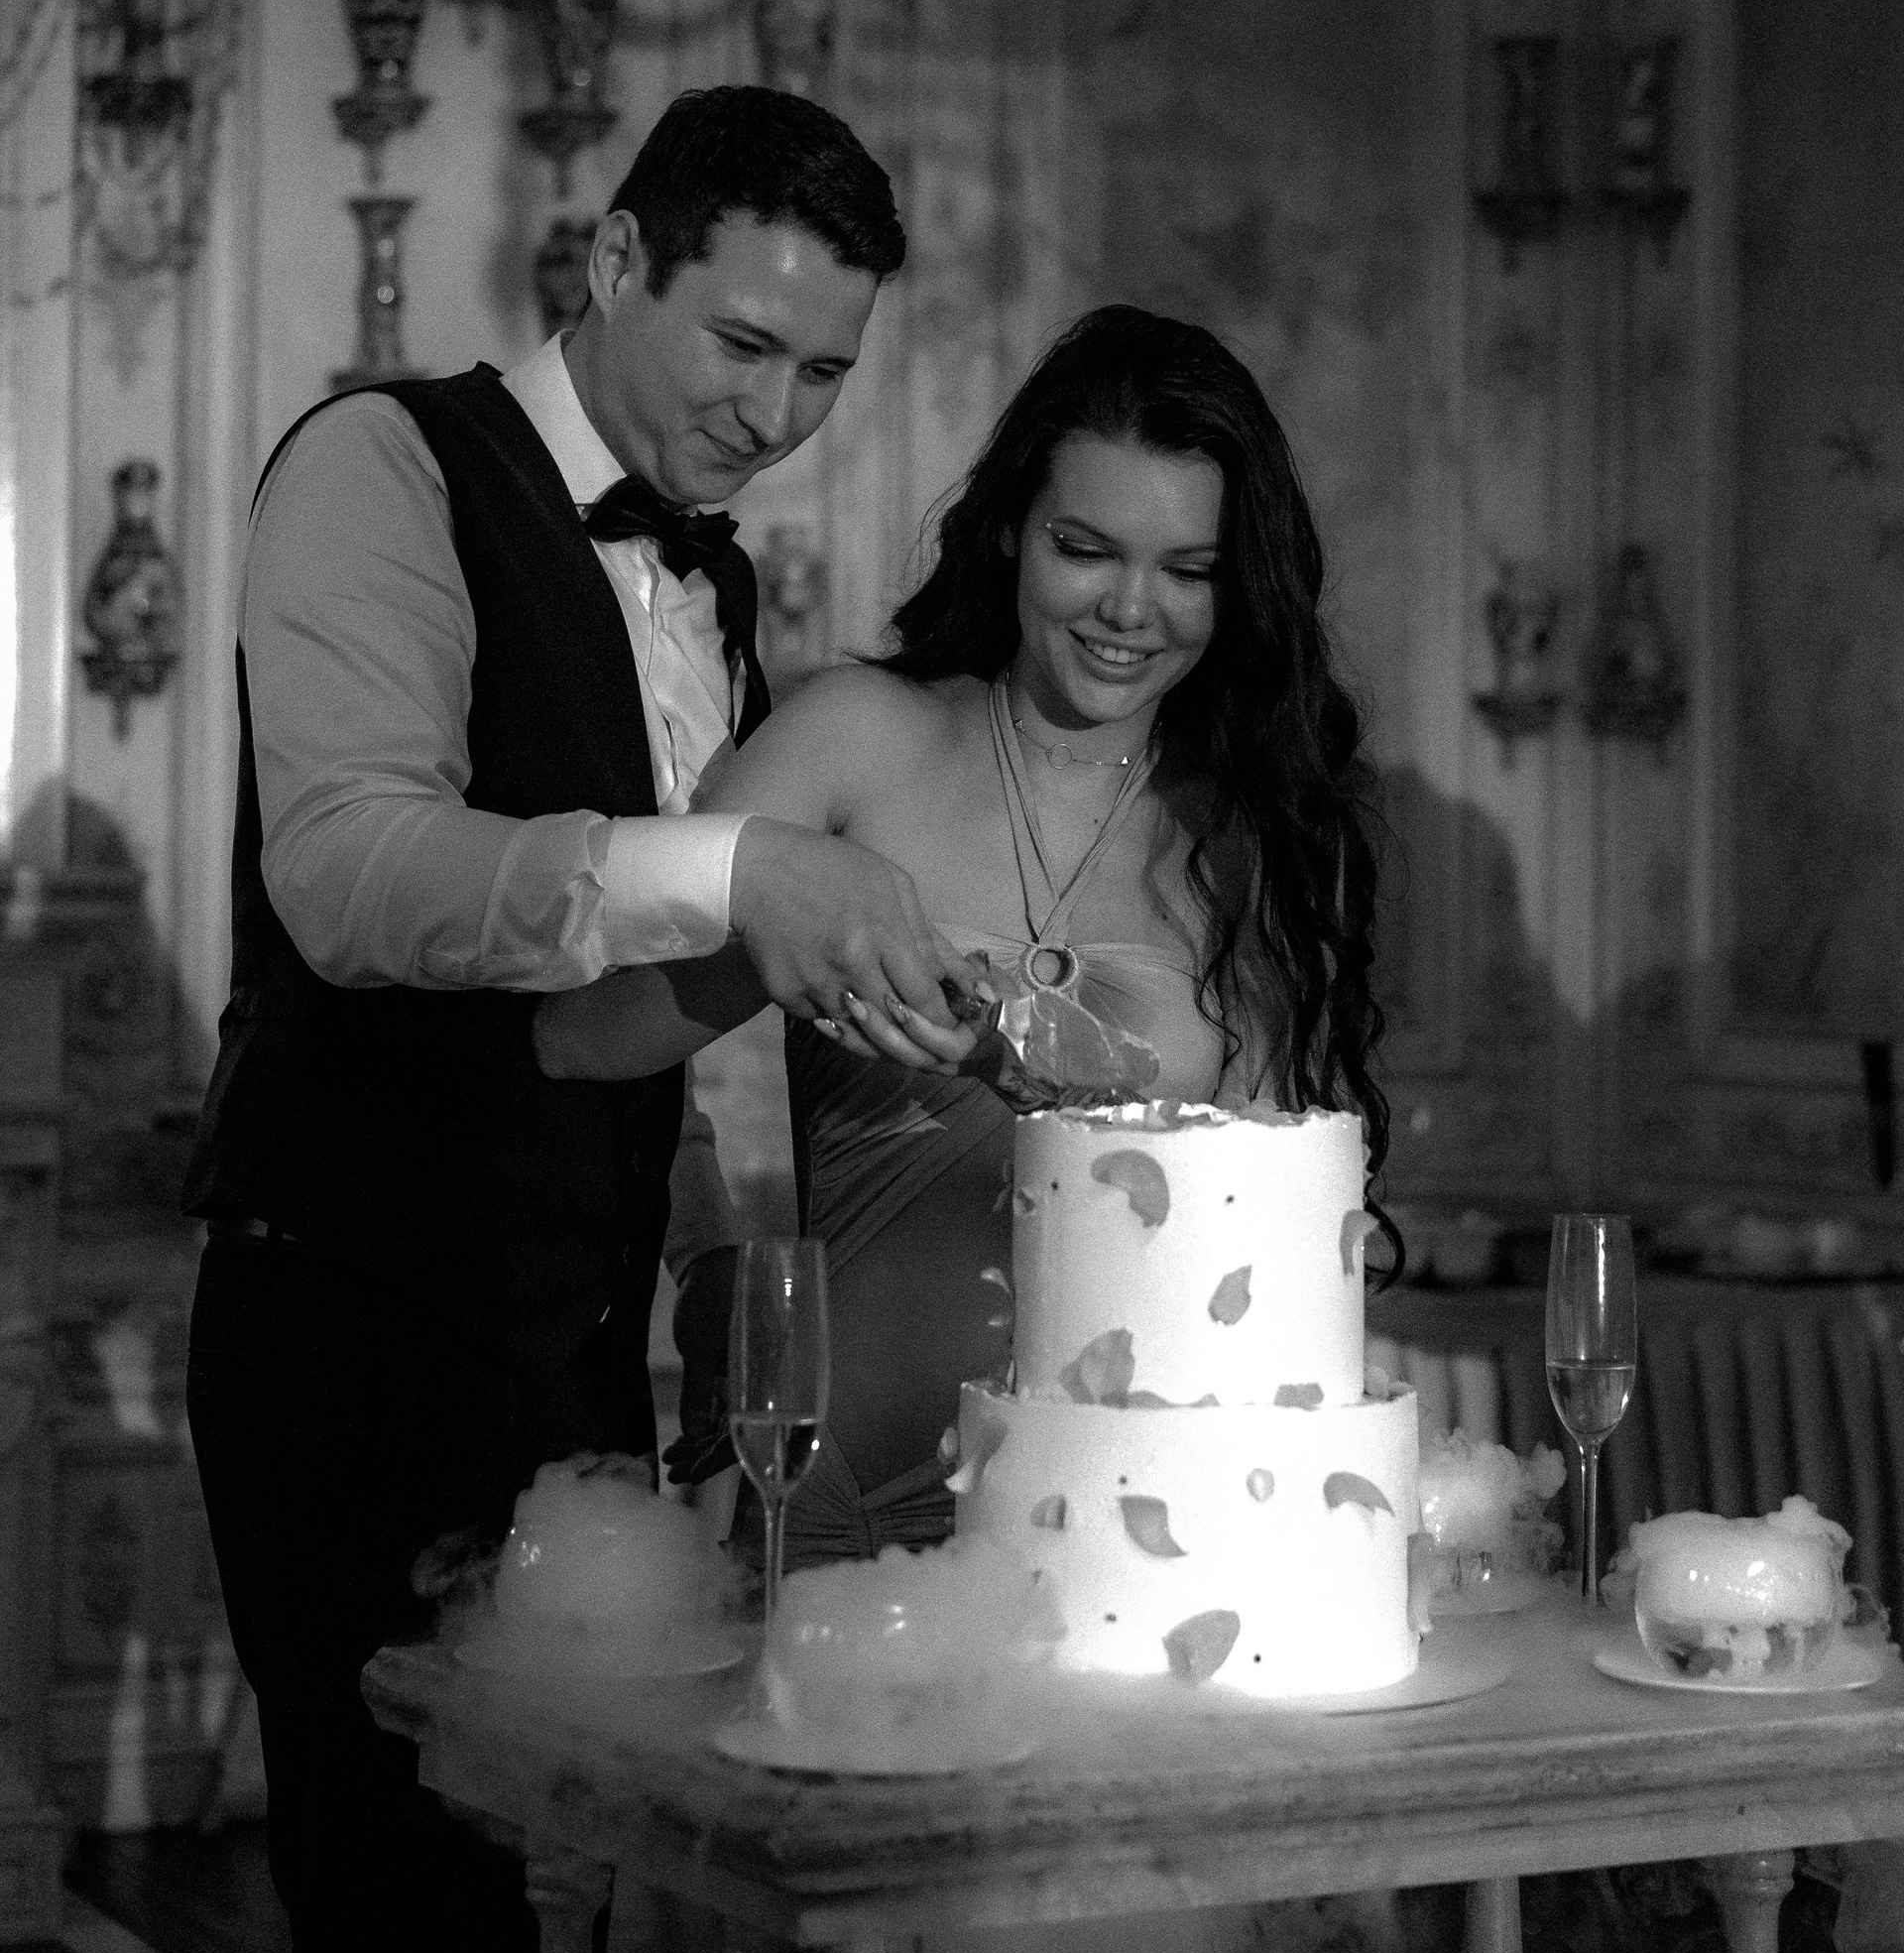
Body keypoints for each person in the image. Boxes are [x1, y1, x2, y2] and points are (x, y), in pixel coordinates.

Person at [182, 85, 972, 1953]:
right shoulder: (380, 463)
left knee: (563, 1896)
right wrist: (739, 867)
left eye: (825, 371)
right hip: (358, 1324)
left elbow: (610, 1006)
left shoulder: (709, 572)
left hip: (571, 1344)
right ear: (617, 259)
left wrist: (694, 1246)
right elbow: (354, 876)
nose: (778, 414)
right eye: (744, 343)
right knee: (407, 1915)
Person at [538, 303, 1394, 1570]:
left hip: (1136, 1541)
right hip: (844, 1508)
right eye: (1085, 549)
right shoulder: (856, 739)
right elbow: (582, 1040)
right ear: (1008, 530)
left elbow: (1264, 1248)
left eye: (1189, 570)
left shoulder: (1253, 838)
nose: (1131, 608)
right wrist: (713, 1257)